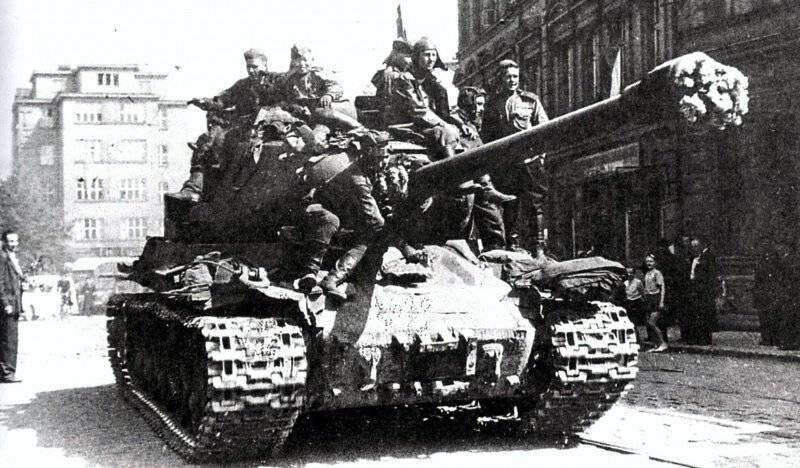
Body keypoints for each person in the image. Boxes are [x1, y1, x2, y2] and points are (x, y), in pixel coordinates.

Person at [171, 48, 282, 202]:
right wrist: (205, 102)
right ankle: (194, 188)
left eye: (255, 67)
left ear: (265, 65)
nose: (251, 70)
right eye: (248, 67)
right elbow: (223, 100)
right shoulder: (243, 85)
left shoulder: (277, 81)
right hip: (241, 127)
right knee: (207, 139)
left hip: (268, 126)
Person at [482, 59, 550, 252]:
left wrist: (540, 157)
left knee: (535, 205)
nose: (512, 80)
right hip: (506, 164)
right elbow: (486, 137)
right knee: (510, 203)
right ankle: (513, 245)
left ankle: (538, 247)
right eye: (508, 77)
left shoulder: (530, 101)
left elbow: (544, 129)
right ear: (500, 79)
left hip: (529, 162)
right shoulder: (492, 105)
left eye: (515, 76)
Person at [371, 37, 460, 160]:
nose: (431, 59)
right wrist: (445, 125)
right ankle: (452, 168)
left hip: (418, 125)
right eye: (427, 55)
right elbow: (418, 110)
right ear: (417, 57)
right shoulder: (400, 78)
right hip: (403, 126)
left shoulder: (424, 80)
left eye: (434, 55)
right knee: (446, 133)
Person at [453, 86, 514, 251]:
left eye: (483, 105)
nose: (481, 109)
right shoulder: (456, 124)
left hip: (477, 181)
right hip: (461, 182)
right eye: (478, 104)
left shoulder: (472, 125)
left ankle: (496, 251)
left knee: (493, 214)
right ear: (468, 104)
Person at [279, 45, 362, 132]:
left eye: (305, 60)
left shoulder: (318, 74)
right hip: (318, 117)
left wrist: (329, 95)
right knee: (317, 127)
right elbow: (287, 97)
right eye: (298, 61)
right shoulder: (290, 79)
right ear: (293, 62)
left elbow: (336, 87)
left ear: (311, 60)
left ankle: (359, 128)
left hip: (337, 108)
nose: (302, 64)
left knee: (318, 112)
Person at [0, 230, 25, 383]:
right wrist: (6, 304)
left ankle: (5, 373)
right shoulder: (3, 257)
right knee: (9, 340)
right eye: (11, 241)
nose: (14, 244)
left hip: (13, 303)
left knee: (7, 339)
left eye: (16, 241)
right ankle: (8, 374)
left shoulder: (11, 256)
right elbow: (0, 282)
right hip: (8, 304)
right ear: (4, 242)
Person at [687, 236, 717, 345]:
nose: (694, 249)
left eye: (696, 246)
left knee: (704, 314)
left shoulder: (707, 256)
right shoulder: (696, 257)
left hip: (703, 290)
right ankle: (698, 338)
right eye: (692, 247)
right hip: (696, 289)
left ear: (701, 246)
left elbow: (709, 275)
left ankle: (705, 339)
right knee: (698, 314)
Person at [643, 254, 668, 352]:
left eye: (651, 261)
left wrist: (661, 301)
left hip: (656, 298)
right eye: (647, 261)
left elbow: (662, 288)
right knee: (649, 324)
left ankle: (663, 343)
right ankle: (656, 344)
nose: (649, 263)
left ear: (655, 263)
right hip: (649, 299)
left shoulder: (657, 273)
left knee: (652, 322)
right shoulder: (647, 273)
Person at [624, 267, 647, 344]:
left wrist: (644, 303)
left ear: (634, 274)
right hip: (628, 302)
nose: (629, 274)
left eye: (631, 273)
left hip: (636, 302)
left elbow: (642, 293)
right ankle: (632, 338)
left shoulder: (638, 282)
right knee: (629, 321)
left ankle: (639, 340)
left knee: (636, 322)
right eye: (627, 273)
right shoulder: (625, 282)